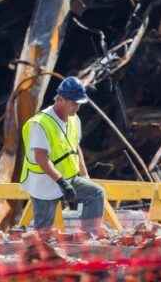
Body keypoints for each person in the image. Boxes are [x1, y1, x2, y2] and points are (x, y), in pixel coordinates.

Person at [20, 76, 106, 234]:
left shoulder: (74, 120)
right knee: (44, 230)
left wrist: (84, 176)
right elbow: (41, 158)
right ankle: (39, 253)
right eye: (74, 103)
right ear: (60, 99)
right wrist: (61, 183)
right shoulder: (40, 123)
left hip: (68, 178)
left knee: (95, 193)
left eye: (79, 104)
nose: (77, 108)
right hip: (44, 181)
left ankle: (89, 236)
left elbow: (75, 147)